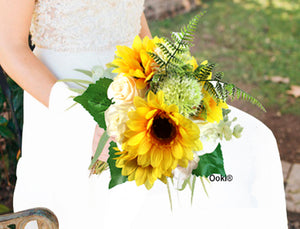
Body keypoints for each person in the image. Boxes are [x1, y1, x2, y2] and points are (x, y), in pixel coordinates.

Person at [0, 0, 288, 228]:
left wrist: (168, 78)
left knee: (252, 144)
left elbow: (131, 19)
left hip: (137, 92)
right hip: (64, 103)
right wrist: (81, 119)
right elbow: (9, 48)